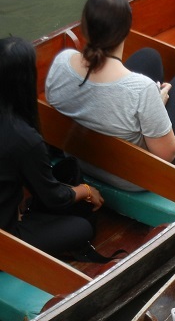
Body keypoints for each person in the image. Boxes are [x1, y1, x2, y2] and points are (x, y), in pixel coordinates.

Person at [45, 0, 175, 189]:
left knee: (149, 57)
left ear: (84, 27)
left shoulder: (62, 62)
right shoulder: (142, 89)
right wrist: (157, 105)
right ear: (126, 30)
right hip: (131, 176)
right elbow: (166, 154)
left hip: (77, 156)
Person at [0, 36, 103, 258]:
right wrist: (86, 190)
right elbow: (53, 197)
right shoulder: (23, 137)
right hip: (5, 239)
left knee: (65, 171)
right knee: (82, 228)